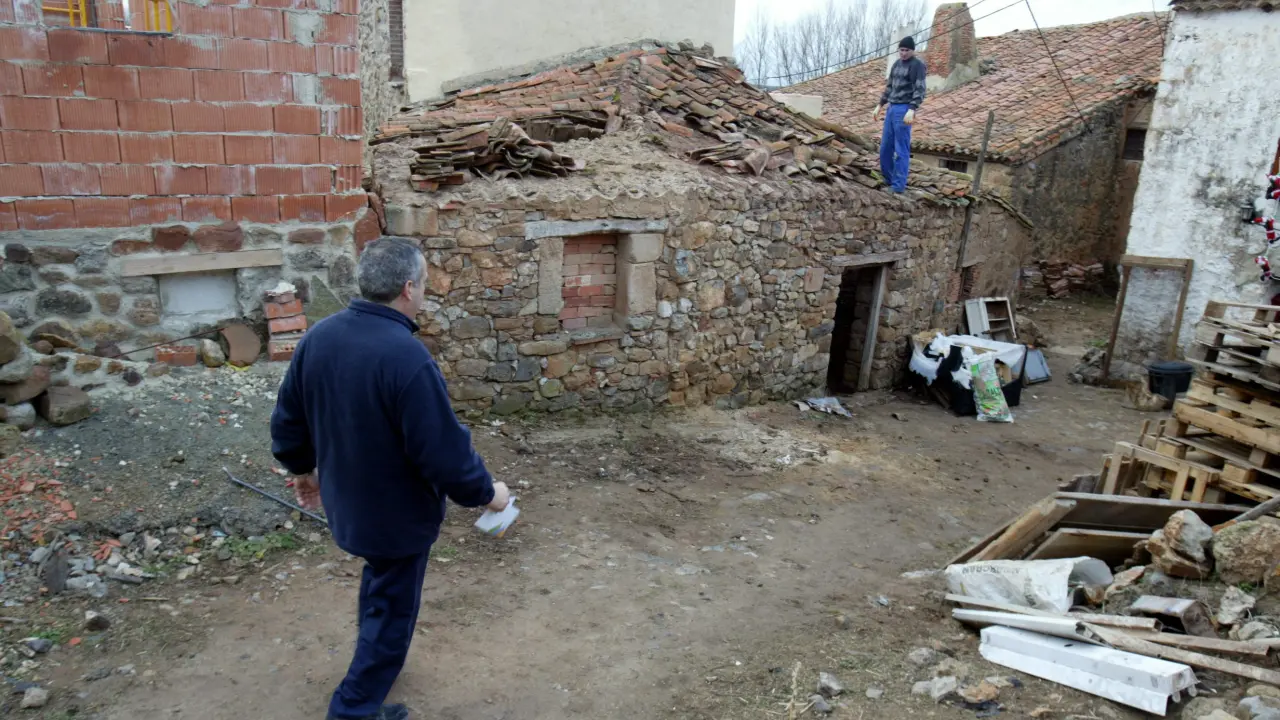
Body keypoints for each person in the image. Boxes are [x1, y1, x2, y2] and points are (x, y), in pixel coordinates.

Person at [271, 237, 509, 720]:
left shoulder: (320, 337)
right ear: (407, 288)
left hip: (348, 505)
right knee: (393, 611)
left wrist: (302, 471)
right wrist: (489, 495)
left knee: (381, 585)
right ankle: (353, 709)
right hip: (395, 517)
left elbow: (288, 422)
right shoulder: (406, 358)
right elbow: (443, 452)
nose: (424, 292)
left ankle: (373, 663)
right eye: (424, 283)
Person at [872, 36, 927, 194]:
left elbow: (920, 89)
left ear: (912, 50)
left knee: (901, 149)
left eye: (906, 50)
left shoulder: (917, 65)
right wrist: (880, 105)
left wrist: (912, 108)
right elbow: (889, 87)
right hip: (891, 107)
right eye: (901, 50)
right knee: (885, 147)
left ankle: (898, 185)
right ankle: (888, 179)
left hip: (904, 108)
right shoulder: (896, 64)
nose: (903, 53)